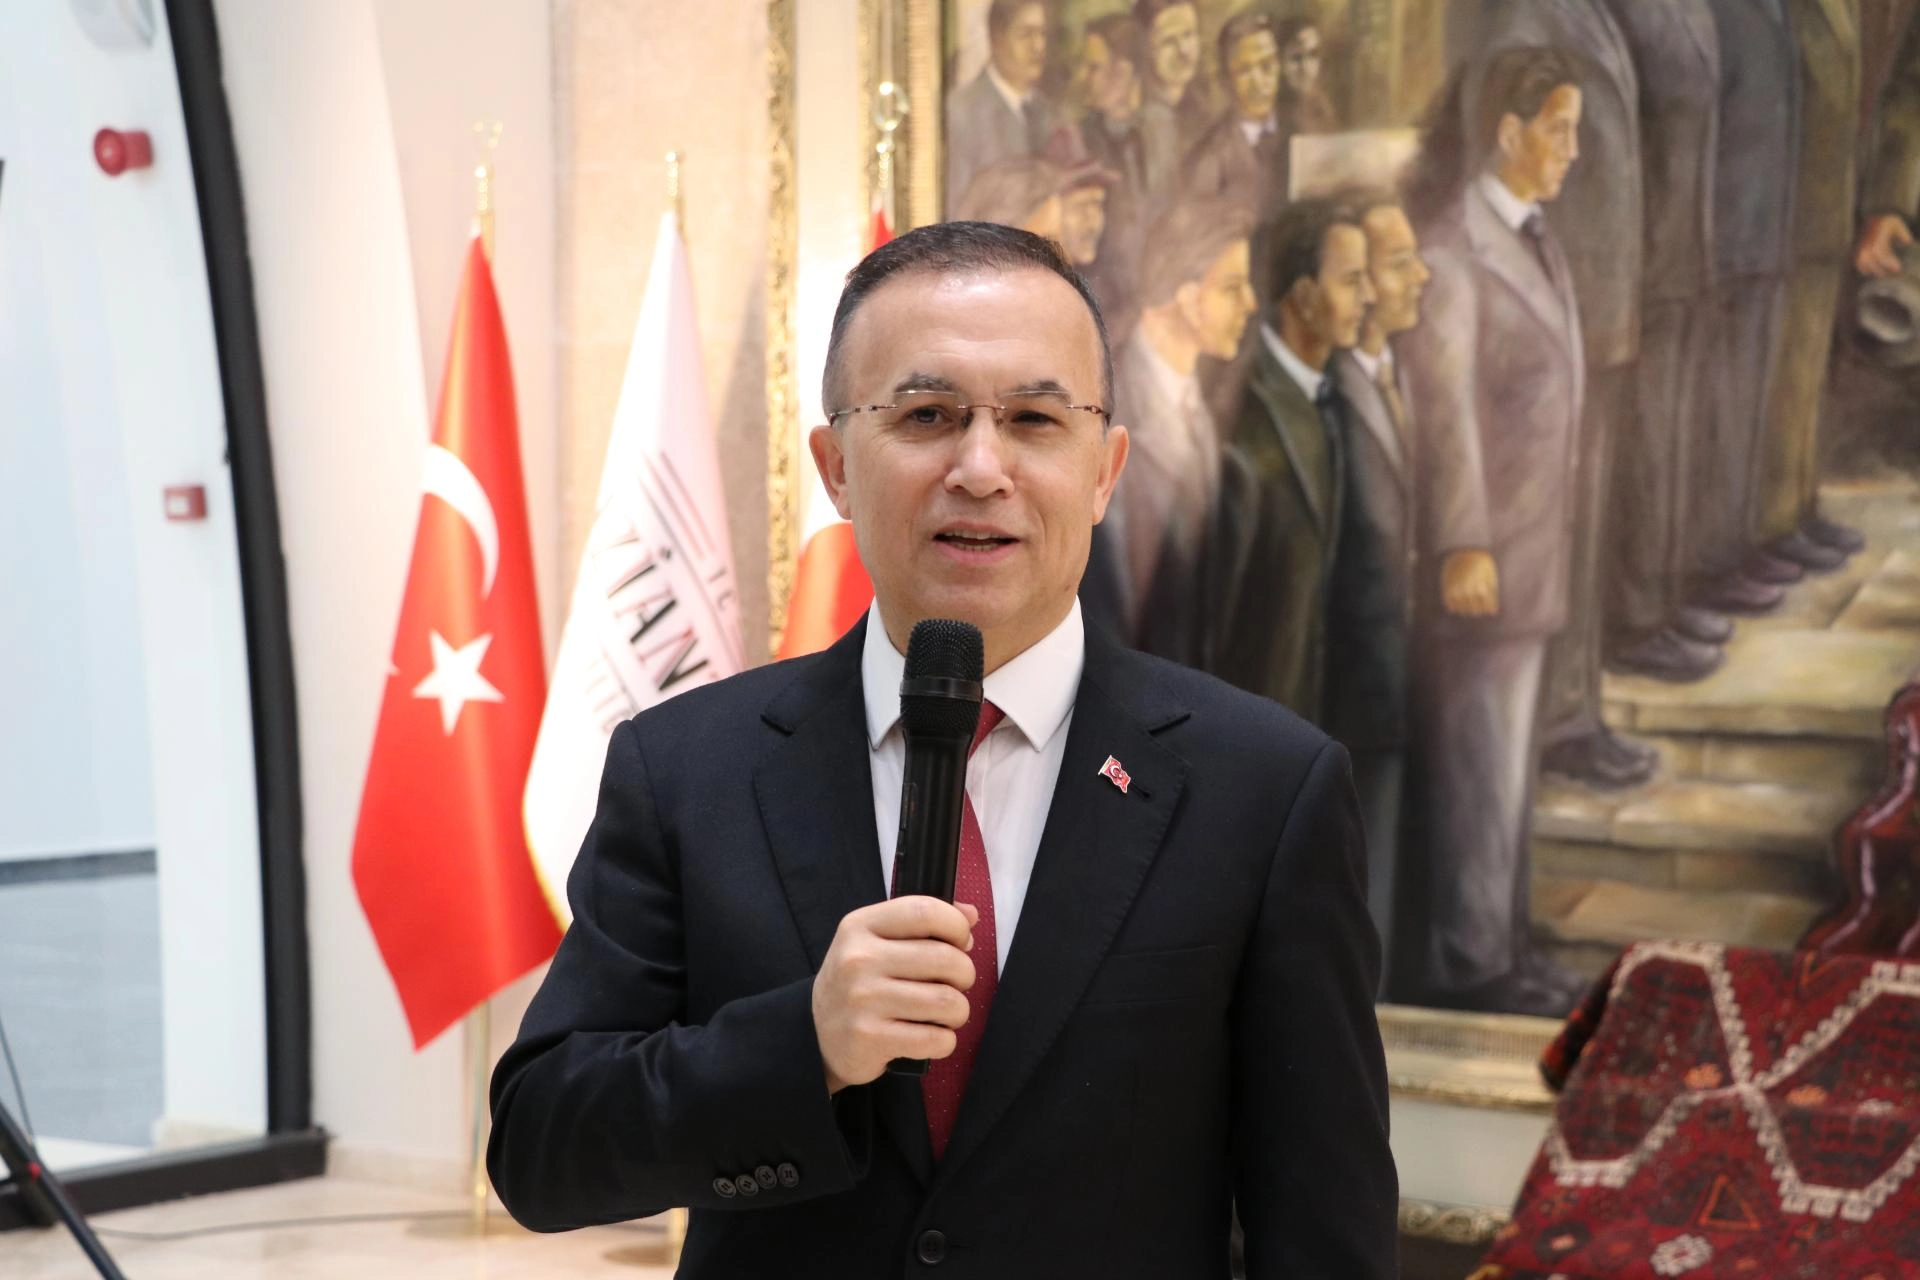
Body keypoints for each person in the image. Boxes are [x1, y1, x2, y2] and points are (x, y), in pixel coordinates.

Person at [487, 220, 1397, 1277]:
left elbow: (1326, 1229)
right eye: (927, 415)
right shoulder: (687, 767)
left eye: (1034, 419)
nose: (980, 467)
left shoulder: (1265, 789)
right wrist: (804, 1045)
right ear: (836, 466)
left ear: (1105, 472)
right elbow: (542, 1150)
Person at [1399, 47, 1591, 1017]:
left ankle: (1505, 943)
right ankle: (1475, 963)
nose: (1572, 148)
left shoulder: (1536, 236)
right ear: (1509, 133)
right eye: (1559, 128)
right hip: (1487, 560)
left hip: (1533, 551)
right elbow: (1446, 410)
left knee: (1509, 764)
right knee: (1480, 763)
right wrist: (1463, 541)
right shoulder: (1455, 250)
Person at [1475, 0, 1671, 786]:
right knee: (1553, 533)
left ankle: (1571, 712)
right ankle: (1556, 724)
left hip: (1588, 306)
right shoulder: (1524, 21)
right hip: (1552, 310)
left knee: (1583, 528)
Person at [1601, 0, 1738, 684]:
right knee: (1645, 454)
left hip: (1685, 254)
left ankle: (1665, 602)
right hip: (1645, 263)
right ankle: (1633, 621)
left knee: (1675, 445)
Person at [1211, 197, 1373, 719]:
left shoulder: (1338, 397)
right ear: (1303, 297)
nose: (1369, 297)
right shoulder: (1241, 409)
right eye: (1352, 281)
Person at [1327, 191, 1429, 984]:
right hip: (1353, 690)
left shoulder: (1401, 374)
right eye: (1396, 264)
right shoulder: (1330, 398)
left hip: (1405, 678)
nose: (1418, 276)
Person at [1083, 197, 1258, 659]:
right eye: (1232, 288)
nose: (1251, 303)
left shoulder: (1198, 406)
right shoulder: (1109, 400)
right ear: (1184, 296)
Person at [946, 0, 1055, 207]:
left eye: (1042, 34)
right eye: (1026, 34)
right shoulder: (962, 112)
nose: (1038, 46)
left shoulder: (1045, 111)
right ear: (997, 39)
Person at [1185, 11, 1289, 226]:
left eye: (1267, 66)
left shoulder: (1300, 129)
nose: (1258, 83)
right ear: (1225, 80)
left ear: (1279, 67)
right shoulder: (1209, 158)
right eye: (1244, 71)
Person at [1133, 0, 1207, 196]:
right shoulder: (1136, 121)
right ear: (1145, 48)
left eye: (1188, 35)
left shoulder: (1205, 112)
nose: (1184, 51)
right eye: (1168, 42)